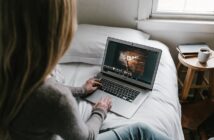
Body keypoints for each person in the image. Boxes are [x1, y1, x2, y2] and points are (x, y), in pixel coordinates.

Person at [0, 0, 171, 140]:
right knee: (140, 131)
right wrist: (100, 110)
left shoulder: (12, 74)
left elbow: (33, 91)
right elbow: (86, 137)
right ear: (58, 32)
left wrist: (81, 90)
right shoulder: (56, 99)